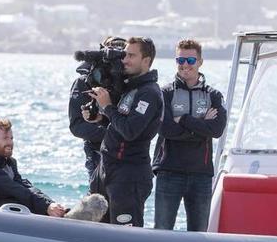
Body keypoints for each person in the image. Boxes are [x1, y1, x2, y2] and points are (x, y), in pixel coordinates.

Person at [87, 36, 163, 227]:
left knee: (124, 236)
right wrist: (100, 117)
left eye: (131, 55)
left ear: (146, 61)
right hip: (107, 169)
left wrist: (107, 107)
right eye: (124, 55)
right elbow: (121, 123)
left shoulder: (149, 93)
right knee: (96, 230)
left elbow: (130, 131)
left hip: (129, 176)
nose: (125, 60)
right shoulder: (131, 88)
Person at [152, 39, 227, 231]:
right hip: (169, 171)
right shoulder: (164, 93)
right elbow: (166, 130)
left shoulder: (214, 96)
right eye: (180, 60)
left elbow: (216, 130)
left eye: (191, 60)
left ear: (200, 61)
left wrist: (184, 119)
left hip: (200, 175)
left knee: (199, 234)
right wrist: (202, 127)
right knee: (162, 232)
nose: (185, 65)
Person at [0, 118, 67, 217]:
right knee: (16, 203)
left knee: (26, 200)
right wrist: (45, 206)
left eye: (11, 138)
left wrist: (49, 204)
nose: (10, 143)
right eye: (5, 138)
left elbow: (23, 185)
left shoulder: (9, 162)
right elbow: (8, 187)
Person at [69, 36, 126, 195]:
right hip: (97, 152)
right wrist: (111, 134)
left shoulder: (132, 82)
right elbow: (77, 125)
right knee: (98, 200)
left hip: (128, 153)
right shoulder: (85, 81)